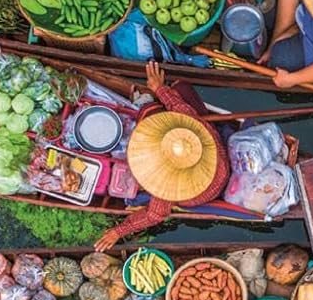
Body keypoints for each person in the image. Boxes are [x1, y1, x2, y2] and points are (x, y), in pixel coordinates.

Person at [93, 61, 227, 251]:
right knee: (179, 95)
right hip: (218, 164)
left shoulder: (168, 186)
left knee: (150, 110)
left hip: (203, 191)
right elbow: (179, 107)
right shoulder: (197, 131)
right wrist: (159, 88)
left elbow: (154, 215)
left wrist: (119, 231)